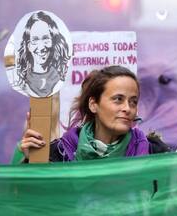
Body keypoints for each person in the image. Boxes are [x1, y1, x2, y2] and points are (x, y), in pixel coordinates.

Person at [15, 66, 150, 162]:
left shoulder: (155, 152)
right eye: (118, 99)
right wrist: (31, 161)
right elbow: (31, 197)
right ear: (93, 104)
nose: (127, 108)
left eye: (133, 102)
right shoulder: (58, 153)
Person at [16, 11, 71, 97]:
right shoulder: (22, 81)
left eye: (46, 38)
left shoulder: (61, 79)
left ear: (54, 42)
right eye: (35, 40)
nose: (41, 47)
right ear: (28, 45)